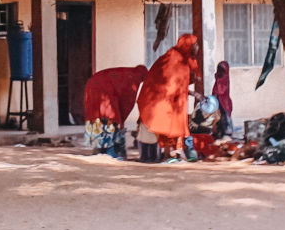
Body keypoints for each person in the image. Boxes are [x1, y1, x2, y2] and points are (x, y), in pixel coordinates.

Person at [138, 33, 198, 162]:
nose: (197, 47)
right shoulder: (175, 59)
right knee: (170, 125)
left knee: (173, 125)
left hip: (175, 100)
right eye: (195, 44)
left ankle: (170, 153)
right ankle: (172, 152)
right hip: (168, 100)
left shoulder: (182, 58)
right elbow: (172, 83)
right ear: (189, 45)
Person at [83, 65, 147, 159]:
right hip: (105, 92)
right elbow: (127, 102)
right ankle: (112, 153)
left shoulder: (126, 72)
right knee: (111, 120)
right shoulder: (134, 78)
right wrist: (121, 121)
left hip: (92, 86)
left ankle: (98, 150)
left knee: (96, 117)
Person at [211, 61, 234, 139]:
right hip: (218, 101)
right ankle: (219, 132)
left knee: (224, 117)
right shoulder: (219, 78)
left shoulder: (224, 79)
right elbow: (215, 91)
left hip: (224, 102)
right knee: (218, 118)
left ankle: (226, 132)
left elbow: (221, 91)